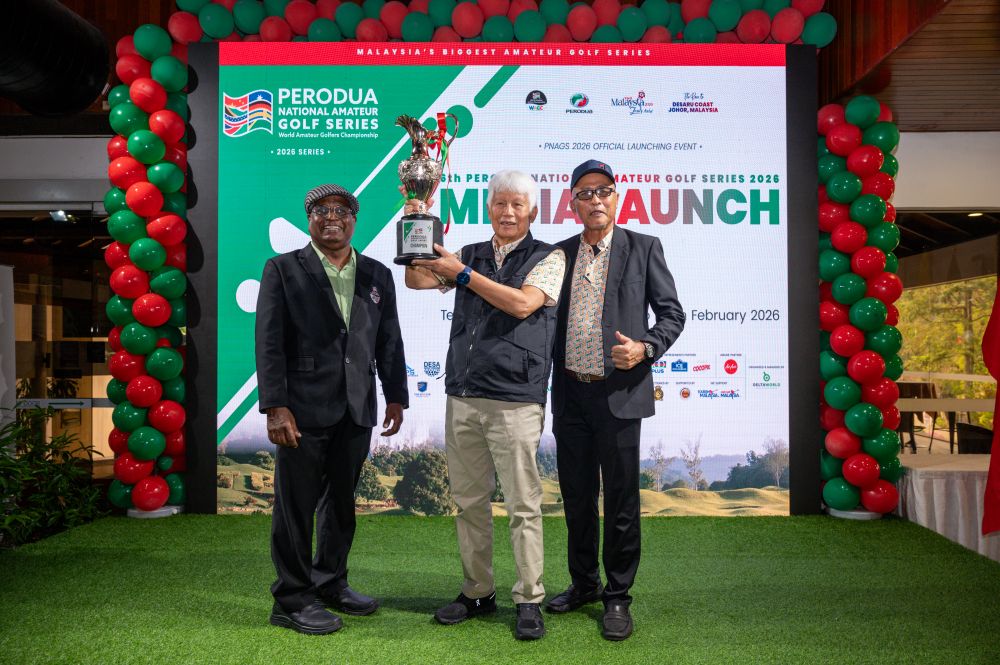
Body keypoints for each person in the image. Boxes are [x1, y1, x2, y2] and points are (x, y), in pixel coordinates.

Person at [403, 170, 566, 641]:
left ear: (532, 211)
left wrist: (463, 275)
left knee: (522, 505)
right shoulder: (470, 253)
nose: (508, 212)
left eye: (517, 205)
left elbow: (522, 304)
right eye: (500, 204)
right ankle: (478, 591)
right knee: (469, 503)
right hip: (463, 395)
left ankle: (529, 598)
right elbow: (416, 280)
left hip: (515, 400)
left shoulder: (549, 256)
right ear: (489, 209)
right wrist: (416, 224)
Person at [255, 183, 408, 635]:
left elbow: (389, 339)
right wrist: (275, 406)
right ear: (309, 220)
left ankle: (330, 582)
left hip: (356, 407)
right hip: (300, 410)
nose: (331, 217)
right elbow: (269, 342)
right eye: (320, 210)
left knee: (341, 504)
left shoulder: (377, 274)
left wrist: (395, 395)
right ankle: (291, 598)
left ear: (354, 220)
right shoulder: (283, 269)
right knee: (295, 507)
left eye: (341, 210)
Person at [546, 160, 685, 641]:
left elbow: (672, 314)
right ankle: (583, 583)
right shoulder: (559, 254)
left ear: (617, 197)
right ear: (572, 203)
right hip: (570, 394)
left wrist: (645, 348)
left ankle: (618, 595)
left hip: (620, 394)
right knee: (577, 497)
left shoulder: (644, 247)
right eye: (585, 193)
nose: (595, 199)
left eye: (603, 190)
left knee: (621, 499)